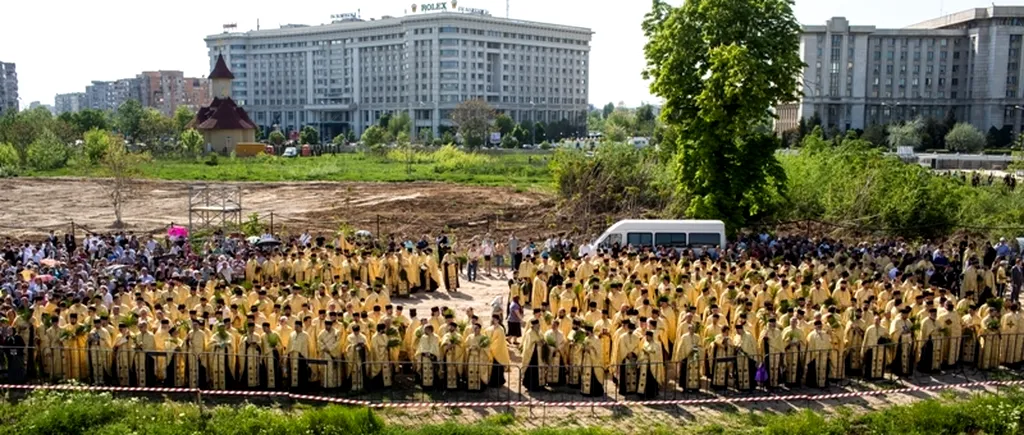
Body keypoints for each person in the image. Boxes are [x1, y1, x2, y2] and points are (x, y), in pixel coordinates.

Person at [520, 319, 545, 391]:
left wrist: (543, 341)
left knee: (538, 370)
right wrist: (536, 343)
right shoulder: (529, 333)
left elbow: (542, 338)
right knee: (532, 371)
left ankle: (540, 385)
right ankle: (531, 386)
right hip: (532, 355)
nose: (538, 326)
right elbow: (528, 345)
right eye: (537, 325)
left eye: (538, 325)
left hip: (539, 355)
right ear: (533, 325)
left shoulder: (539, 331)